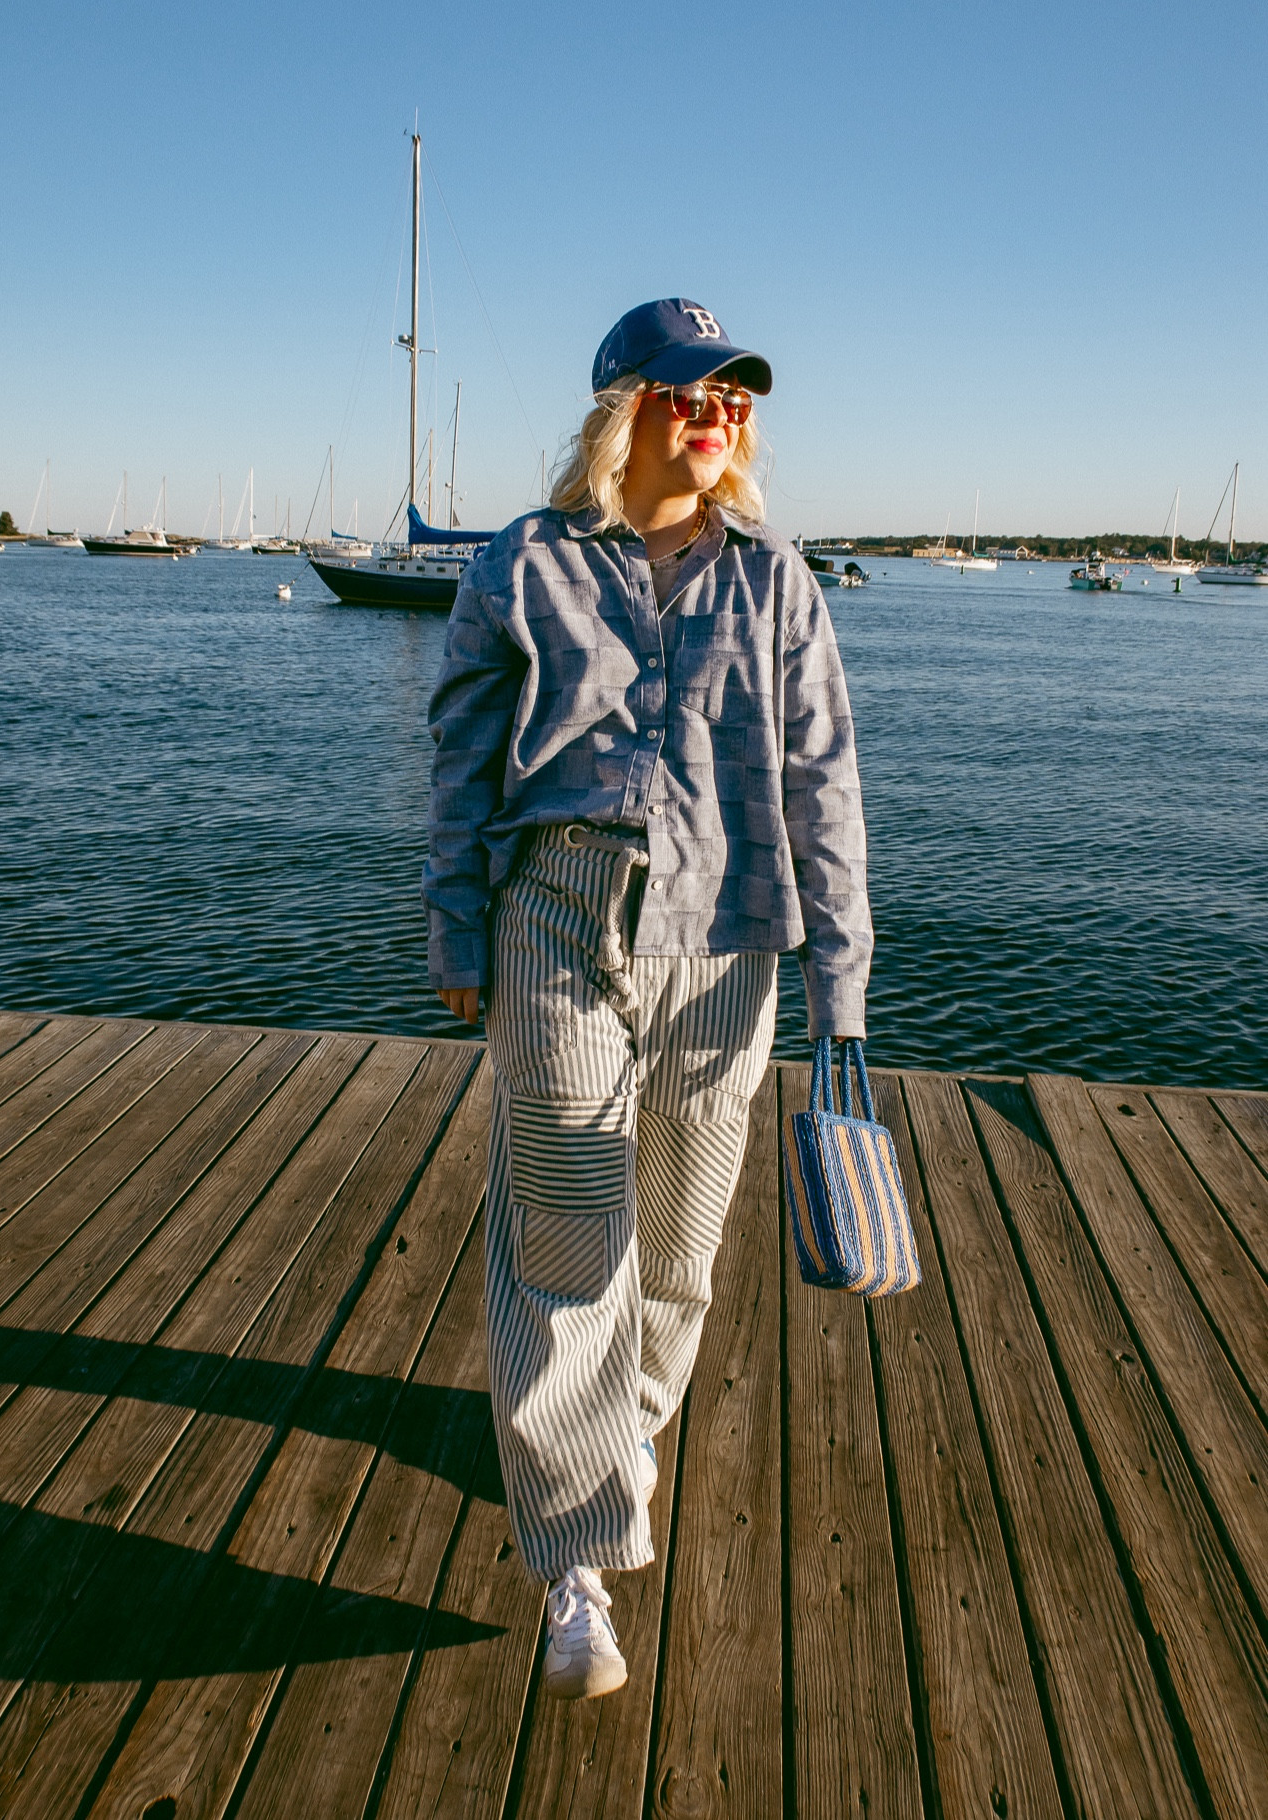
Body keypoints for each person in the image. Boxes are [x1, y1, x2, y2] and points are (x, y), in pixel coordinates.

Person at [424, 298, 871, 1699]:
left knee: (679, 1242)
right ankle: (575, 1558)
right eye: (694, 395)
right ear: (626, 406)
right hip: (557, 911)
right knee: (565, 1229)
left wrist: (841, 982)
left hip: (731, 932)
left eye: (737, 399)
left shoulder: (776, 578)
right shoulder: (525, 564)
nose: (721, 417)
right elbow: (462, 756)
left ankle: (629, 1428)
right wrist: (455, 930)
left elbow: (821, 780)